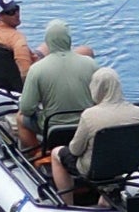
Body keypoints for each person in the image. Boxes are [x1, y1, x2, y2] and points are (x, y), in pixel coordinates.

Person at [51, 65, 139, 202]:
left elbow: (75, 150)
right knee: (115, 155)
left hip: (93, 169)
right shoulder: (138, 112)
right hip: (125, 165)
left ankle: (67, 202)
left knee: (56, 153)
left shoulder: (90, 115)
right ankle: (106, 199)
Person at [17, 19, 98, 151]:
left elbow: (26, 108)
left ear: (47, 41)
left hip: (53, 127)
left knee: (20, 117)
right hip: (86, 125)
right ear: (69, 39)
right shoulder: (91, 64)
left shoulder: (37, 69)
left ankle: (38, 155)